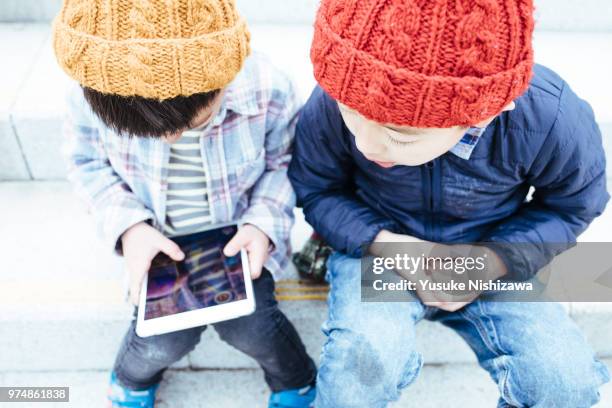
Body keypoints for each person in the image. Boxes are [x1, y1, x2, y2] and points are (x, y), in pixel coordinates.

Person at [288, 0, 610, 406]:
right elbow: (317, 188)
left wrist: (492, 260)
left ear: (485, 114)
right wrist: (388, 244)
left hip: (493, 248)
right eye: (350, 113)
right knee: (357, 372)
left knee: (563, 381)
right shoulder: (351, 85)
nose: (364, 144)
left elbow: (574, 205)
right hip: (378, 248)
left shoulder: (549, 118)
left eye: (401, 134)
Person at [52, 0, 316, 406]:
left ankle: (295, 381)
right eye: (147, 131)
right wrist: (130, 229)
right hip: (156, 241)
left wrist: (262, 224)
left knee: (253, 327)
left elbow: (284, 163)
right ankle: (130, 380)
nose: (170, 139)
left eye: (190, 122)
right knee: (161, 337)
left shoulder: (269, 90)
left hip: (237, 239)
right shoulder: (95, 96)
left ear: (225, 77)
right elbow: (86, 164)